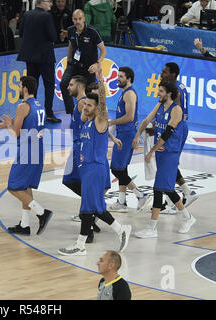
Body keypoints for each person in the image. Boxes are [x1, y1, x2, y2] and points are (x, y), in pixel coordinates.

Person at [58, 68, 131, 255]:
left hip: (95, 169)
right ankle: (115, 232)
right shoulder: (87, 122)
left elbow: (103, 105)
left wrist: (100, 81)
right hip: (87, 169)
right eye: (85, 105)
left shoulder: (100, 120)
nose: (85, 107)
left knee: (90, 208)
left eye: (89, 106)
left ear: (98, 109)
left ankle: (83, 244)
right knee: (91, 208)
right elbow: (83, 112)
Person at [132, 82, 196, 238]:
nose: (158, 93)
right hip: (161, 151)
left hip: (170, 152)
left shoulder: (176, 110)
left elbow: (167, 134)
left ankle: (152, 228)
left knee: (158, 188)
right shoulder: (159, 106)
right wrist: (137, 135)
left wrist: (151, 151)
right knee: (167, 188)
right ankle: (188, 217)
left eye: (160, 91)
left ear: (169, 93)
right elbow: (146, 120)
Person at [0, 76, 54, 235]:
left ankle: (42, 213)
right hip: (38, 149)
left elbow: (15, 133)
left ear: (25, 89)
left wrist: (9, 126)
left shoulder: (22, 106)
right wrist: (8, 125)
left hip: (27, 151)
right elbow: (27, 124)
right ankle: (25, 225)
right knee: (26, 187)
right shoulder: (39, 104)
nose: (18, 89)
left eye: (20, 86)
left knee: (13, 187)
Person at [62, 76, 101, 242]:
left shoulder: (83, 103)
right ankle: (92, 213)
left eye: (71, 85)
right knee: (73, 182)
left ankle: (92, 214)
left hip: (81, 148)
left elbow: (98, 122)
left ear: (79, 86)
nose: (67, 87)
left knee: (70, 181)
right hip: (77, 146)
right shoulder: (80, 103)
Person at [107, 67, 150, 214]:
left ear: (129, 78)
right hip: (124, 133)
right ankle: (121, 201)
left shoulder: (130, 94)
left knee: (116, 169)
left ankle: (141, 195)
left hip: (126, 134)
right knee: (122, 168)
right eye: (118, 76)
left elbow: (130, 117)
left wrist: (111, 123)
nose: (118, 78)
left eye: (121, 76)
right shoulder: (124, 93)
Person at [159, 62, 198, 213]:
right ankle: (185, 193)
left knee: (169, 163)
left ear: (173, 74)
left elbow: (175, 113)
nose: (162, 74)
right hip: (175, 126)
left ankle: (172, 202)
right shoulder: (173, 87)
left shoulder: (176, 91)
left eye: (165, 72)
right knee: (169, 163)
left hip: (177, 128)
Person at [17, 0, 61, 123]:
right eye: (49, 2)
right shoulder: (46, 16)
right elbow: (53, 36)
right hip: (44, 57)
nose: (51, 4)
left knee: (31, 85)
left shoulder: (27, 14)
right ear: (41, 2)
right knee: (49, 85)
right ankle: (49, 113)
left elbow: (20, 33)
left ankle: (31, 112)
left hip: (30, 56)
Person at [60, 9, 106, 115]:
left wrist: (97, 63)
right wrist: (68, 62)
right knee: (63, 84)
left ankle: (90, 115)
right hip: (74, 65)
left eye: (80, 19)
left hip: (89, 68)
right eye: (75, 19)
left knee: (90, 93)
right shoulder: (71, 30)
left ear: (84, 19)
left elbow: (103, 51)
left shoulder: (92, 31)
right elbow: (71, 47)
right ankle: (72, 113)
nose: (78, 21)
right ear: (72, 19)